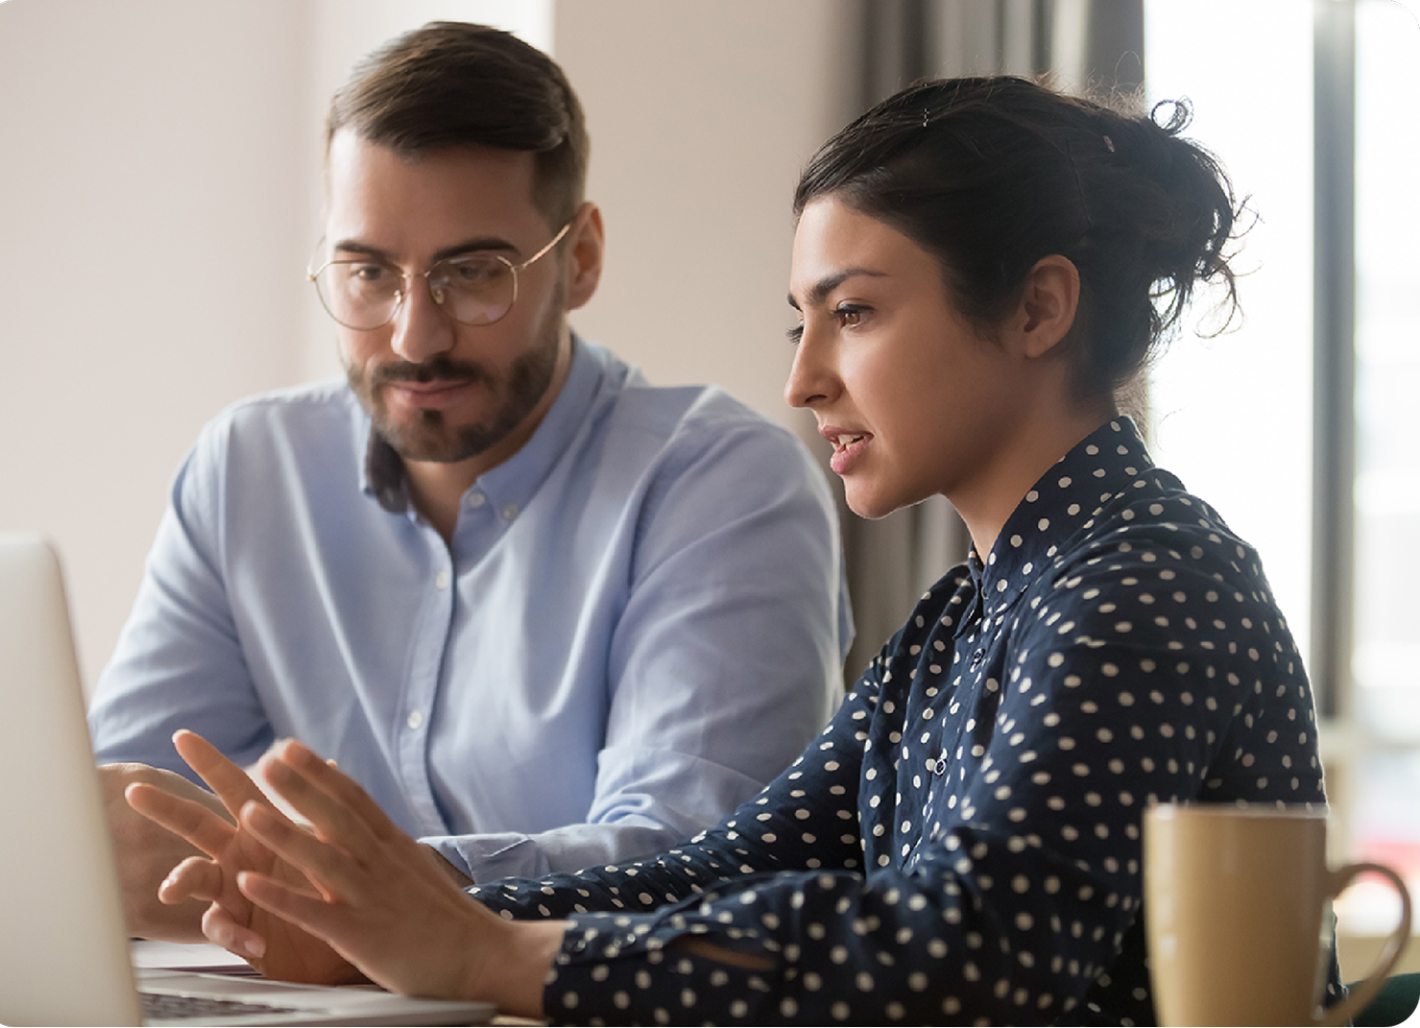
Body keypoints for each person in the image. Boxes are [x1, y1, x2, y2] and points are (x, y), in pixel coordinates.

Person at [127, 75, 1339, 1026]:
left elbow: (972, 958)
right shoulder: (964, 617)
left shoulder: (1143, 581)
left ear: (1037, 308)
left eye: (853, 311)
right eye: (800, 319)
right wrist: (384, 921)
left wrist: (480, 949)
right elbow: (718, 870)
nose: (801, 378)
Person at [89, 21, 851, 944]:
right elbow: (122, 821)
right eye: (368, 273)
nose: (416, 336)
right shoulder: (248, 470)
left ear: (581, 259)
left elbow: (690, 860)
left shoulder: (725, 484)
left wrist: (355, 891)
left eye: (473, 273)